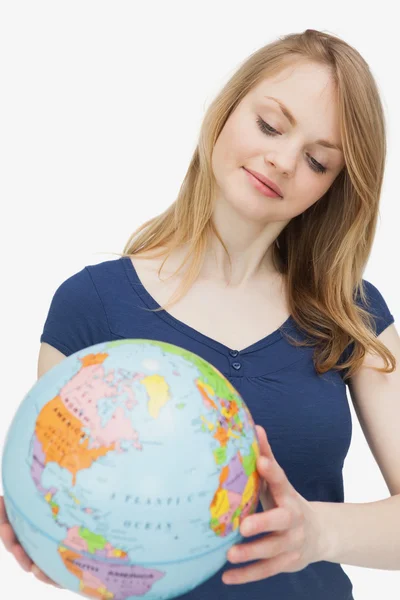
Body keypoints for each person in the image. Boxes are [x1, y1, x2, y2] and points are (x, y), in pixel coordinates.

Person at [0, 28, 397, 600]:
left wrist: (318, 533)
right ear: (226, 110)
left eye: (317, 160)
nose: (283, 161)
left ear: (334, 187)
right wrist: (53, 543)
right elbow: (80, 510)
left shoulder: (350, 313)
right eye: (269, 125)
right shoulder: (90, 306)